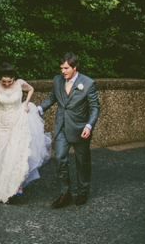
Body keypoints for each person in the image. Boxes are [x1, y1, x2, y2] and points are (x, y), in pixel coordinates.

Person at [0, 63, 51, 203]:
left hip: (18, 121)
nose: (6, 84)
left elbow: (31, 89)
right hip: (2, 123)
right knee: (1, 153)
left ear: (13, 78)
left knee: (15, 153)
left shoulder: (20, 83)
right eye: (3, 81)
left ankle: (15, 185)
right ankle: (1, 189)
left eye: (9, 81)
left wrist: (26, 103)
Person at [38, 52, 100, 208]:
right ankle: (65, 193)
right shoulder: (57, 80)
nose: (63, 71)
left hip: (80, 129)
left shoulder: (88, 83)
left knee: (82, 162)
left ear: (74, 67)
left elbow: (94, 108)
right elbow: (52, 97)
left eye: (66, 68)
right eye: (61, 68)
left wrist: (89, 125)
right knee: (59, 158)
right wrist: (37, 109)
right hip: (61, 128)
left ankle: (83, 191)